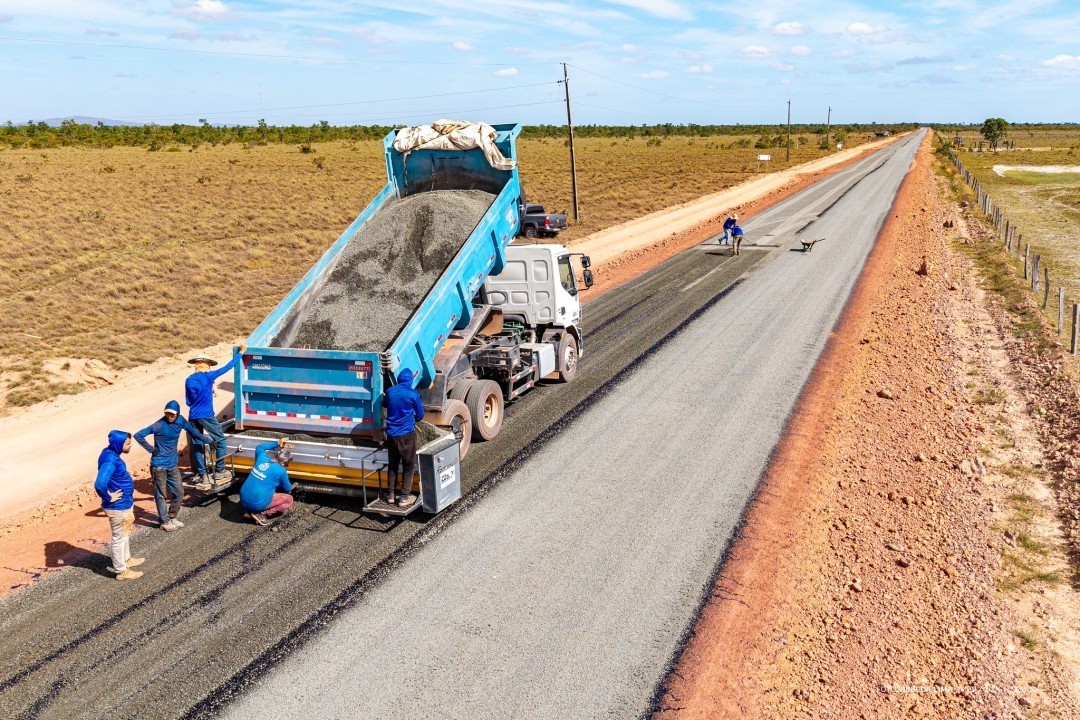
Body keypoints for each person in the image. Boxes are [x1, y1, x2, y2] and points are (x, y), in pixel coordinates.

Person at [134, 400, 211, 531]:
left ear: (177, 414)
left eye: (172, 414)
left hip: (173, 465)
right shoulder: (159, 425)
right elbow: (138, 435)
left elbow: (193, 432)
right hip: (159, 466)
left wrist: (207, 440)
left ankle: (172, 516)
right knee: (161, 495)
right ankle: (164, 522)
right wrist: (152, 450)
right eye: (167, 414)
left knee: (179, 492)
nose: (170, 416)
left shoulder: (180, 421)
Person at [185, 344, 246, 491]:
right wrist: (241, 354)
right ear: (206, 366)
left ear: (195, 366)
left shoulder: (189, 380)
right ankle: (219, 470)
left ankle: (203, 475)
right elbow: (227, 367)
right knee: (220, 440)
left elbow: (189, 401)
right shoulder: (209, 376)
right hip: (206, 416)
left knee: (198, 444)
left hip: (193, 416)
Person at [94, 431, 145, 580]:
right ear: (119, 444)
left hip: (124, 503)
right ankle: (121, 571)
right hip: (118, 507)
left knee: (125, 534)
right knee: (119, 538)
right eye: (128, 444)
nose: (130, 446)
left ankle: (126, 560)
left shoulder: (110, 452)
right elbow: (99, 484)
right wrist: (108, 497)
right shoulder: (110, 460)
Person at [383, 368, 425, 508]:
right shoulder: (413, 394)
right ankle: (404, 498)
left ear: (399, 379)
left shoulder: (390, 391)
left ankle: (390, 495)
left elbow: (384, 403)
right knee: (408, 466)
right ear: (410, 380)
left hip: (391, 436)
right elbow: (420, 415)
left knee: (393, 465)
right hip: (406, 436)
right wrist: (412, 418)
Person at [239, 437, 295, 526]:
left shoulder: (261, 459)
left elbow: (260, 447)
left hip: (242, 499)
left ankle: (248, 510)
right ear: (283, 462)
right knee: (289, 500)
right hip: (255, 504)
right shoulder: (281, 470)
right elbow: (287, 489)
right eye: (287, 464)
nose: (286, 466)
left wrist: (278, 442)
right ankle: (259, 514)